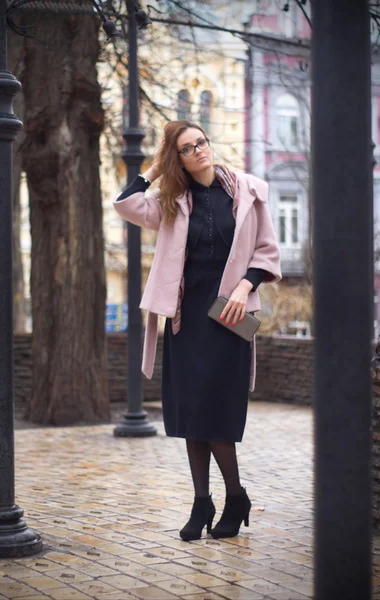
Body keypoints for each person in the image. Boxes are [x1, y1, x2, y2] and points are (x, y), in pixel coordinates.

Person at [114, 120, 281, 541]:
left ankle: (235, 495)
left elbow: (267, 252)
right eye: (187, 148)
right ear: (179, 159)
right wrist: (153, 169)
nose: (199, 151)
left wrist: (246, 284)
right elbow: (125, 203)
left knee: (219, 413)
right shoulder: (173, 200)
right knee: (192, 412)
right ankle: (201, 501)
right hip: (186, 318)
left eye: (201, 142)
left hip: (229, 315)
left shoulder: (246, 191)